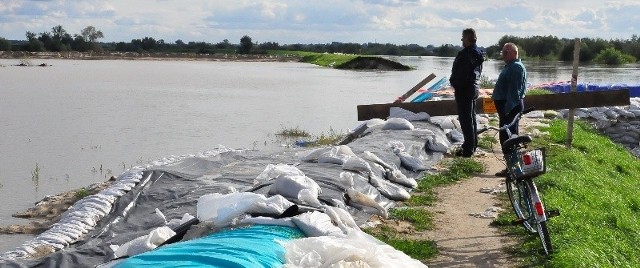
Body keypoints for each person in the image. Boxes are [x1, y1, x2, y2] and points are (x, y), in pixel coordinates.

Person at [492, 42, 527, 177]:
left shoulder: (516, 68)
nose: (503, 55)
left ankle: (514, 168)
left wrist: (507, 109)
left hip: (510, 107)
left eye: (506, 52)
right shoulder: (512, 66)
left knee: (509, 139)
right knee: (508, 137)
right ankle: (512, 167)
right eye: (503, 52)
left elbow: (514, 91)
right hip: (508, 108)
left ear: (514, 53)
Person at [449, 28, 485, 157]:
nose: (461, 40)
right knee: (471, 118)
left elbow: (462, 74)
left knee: (465, 119)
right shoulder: (478, 53)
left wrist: (455, 84)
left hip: (464, 89)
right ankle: (472, 145)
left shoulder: (466, 54)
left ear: (468, 38)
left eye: (463, 37)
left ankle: (468, 149)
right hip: (473, 88)